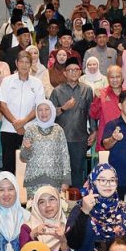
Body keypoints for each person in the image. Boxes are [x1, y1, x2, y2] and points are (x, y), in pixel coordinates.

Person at [0, 50, 44, 174]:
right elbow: (2, 105)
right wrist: (16, 123)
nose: (24, 65)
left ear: (31, 64)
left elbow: (39, 107)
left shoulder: (37, 83)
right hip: (9, 129)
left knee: (29, 167)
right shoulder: (7, 81)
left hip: (30, 130)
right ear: (16, 63)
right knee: (8, 166)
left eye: (27, 62)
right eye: (21, 62)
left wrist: (23, 122)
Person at [50, 57, 95, 188]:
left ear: (80, 72)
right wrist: (64, 108)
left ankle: (76, 199)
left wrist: (94, 131)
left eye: (76, 70)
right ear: (65, 73)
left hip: (80, 138)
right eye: (70, 70)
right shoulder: (57, 91)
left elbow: (91, 113)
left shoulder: (87, 90)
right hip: (60, 138)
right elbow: (49, 115)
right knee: (60, 173)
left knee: (77, 172)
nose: (73, 72)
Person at [20, 99, 70, 197]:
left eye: (46, 109)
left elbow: (65, 156)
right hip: (34, 181)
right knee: (34, 206)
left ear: (52, 111)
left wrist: (66, 180)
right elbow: (23, 158)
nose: (43, 113)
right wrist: (26, 149)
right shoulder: (30, 129)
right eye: (40, 110)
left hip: (55, 180)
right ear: (36, 112)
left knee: (53, 205)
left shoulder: (58, 130)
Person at [19, 185, 70, 251]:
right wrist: (33, 235)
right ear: (36, 206)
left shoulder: (66, 227)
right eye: (42, 202)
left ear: (59, 201)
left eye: (52, 199)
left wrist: (63, 241)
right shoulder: (27, 228)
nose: (48, 205)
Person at [89, 65, 126, 152]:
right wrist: (97, 99)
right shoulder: (101, 94)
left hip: (125, 139)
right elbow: (94, 115)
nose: (115, 80)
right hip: (105, 140)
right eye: (112, 77)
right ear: (108, 79)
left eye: (117, 77)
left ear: (122, 78)